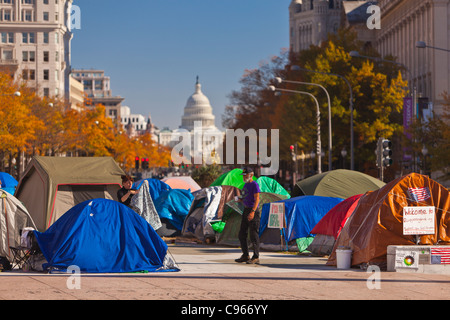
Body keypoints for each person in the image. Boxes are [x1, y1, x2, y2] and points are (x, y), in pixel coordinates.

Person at [235, 167, 261, 264]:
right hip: (246, 210)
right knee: (242, 234)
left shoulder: (254, 184)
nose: (244, 177)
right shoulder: (245, 185)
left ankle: (256, 256)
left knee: (253, 234)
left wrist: (253, 211)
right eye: (243, 175)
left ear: (251, 175)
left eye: (246, 175)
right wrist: (240, 199)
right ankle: (245, 255)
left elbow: (257, 198)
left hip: (252, 210)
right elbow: (246, 197)